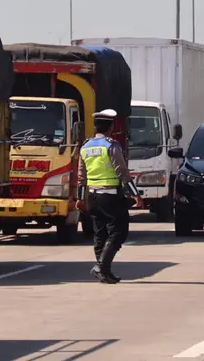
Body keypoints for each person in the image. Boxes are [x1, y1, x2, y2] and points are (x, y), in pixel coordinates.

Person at [76, 109, 144, 284]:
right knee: (119, 231)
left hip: (92, 196)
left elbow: (81, 177)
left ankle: (104, 271)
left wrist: (80, 198)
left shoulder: (85, 146)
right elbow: (122, 172)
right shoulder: (111, 146)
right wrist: (135, 194)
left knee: (100, 234)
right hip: (110, 195)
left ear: (95, 126)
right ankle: (101, 267)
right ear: (111, 127)